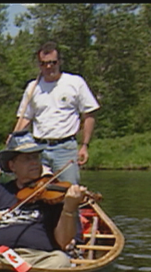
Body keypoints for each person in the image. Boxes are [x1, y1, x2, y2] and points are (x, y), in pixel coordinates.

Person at [0, 131, 87, 269]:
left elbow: (63, 242)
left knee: (60, 261)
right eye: (27, 159)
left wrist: (69, 209)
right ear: (12, 166)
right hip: (0, 257)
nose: (34, 163)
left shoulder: (53, 195)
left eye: (36, 157)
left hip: (39, 259)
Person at [12, 41, 100, 184]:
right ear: (39, 64)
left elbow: (89, 114)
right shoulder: (33, 87)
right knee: (35, 190)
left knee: (69, 190)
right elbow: (25, 117)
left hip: (65, 147)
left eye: (52, 62)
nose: (48, 67)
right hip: (38, 148)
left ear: (59, 62)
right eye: (43, 63)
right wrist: (13, 137)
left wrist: (84, 145)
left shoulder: (75, 82)